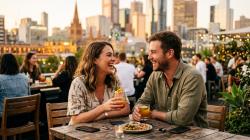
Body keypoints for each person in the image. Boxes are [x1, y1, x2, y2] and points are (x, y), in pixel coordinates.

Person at [132, 31, 208, 128]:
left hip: (193, 135)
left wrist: (154, 114)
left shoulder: (192, 77)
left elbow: (183, 118)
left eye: (153, 52)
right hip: (163, 133)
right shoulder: (155, 75)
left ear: (170, 53)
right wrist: (137, 111)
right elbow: (143, 101)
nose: (149, 57)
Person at [67, 41, 130, 125]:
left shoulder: (114, 80)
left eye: (113, 55)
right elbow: (75, 119)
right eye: (109, 55)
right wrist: (103, 108)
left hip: (104, 132)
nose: (113, 59)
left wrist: (104, 114)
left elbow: (126, 109)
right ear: (94, 60)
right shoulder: (78, 83)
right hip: (79, 134)